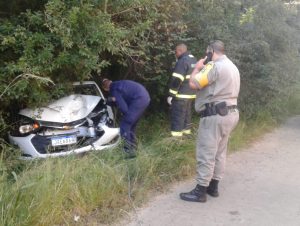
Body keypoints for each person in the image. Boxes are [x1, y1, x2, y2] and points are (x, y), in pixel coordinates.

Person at [179, 40, 240, 202]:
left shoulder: (215, 66)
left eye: (207, 53)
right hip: (230, 113)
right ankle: (213, 186)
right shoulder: (232, 66)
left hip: (214, 115)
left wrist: (197, 67)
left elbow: (194, 83)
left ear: (211, 51)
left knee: (206, 151)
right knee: (220, 151)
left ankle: (200, 191)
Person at [102, 79, 150, 157]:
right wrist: (113, 100)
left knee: (124, 125)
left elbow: (123, 107)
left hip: (139, 99)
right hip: (144, 97)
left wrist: (125, 116)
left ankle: (128, 152)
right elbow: (124, 98)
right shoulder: (118, 84)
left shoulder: (114, 90)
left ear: (106, 89)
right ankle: (133, 148)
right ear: (111, 81)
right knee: (131, 126)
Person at [167, 43, 197, 137]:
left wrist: (171, 95)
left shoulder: (182, 61)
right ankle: (187, 136)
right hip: (191, 94)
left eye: (176, 52)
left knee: (178, 117)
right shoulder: (193, 59)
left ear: (179, 51)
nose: (175, 54)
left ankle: (176, 140)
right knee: (186, 117)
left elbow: (177, 79)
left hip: (181, 95)